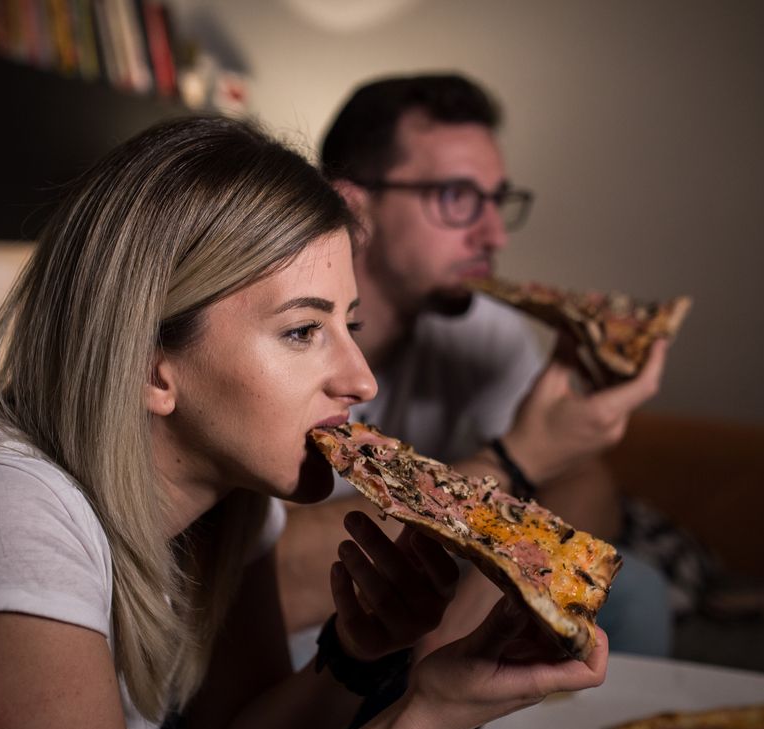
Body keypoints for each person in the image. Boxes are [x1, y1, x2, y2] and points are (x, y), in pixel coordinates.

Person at [0, 116, 608, 729]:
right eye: (301, 332)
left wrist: (357, 659)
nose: (362, 382)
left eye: (347, 326)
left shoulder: (231, 495)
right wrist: (429, 716)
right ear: (152, 364)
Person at [277, 73, 673, 665]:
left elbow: (585, 484)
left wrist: (461, 626)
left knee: (636, 589)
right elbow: (266, 579)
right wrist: (518, 459)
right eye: (457, 198)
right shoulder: (272, 333)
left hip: (416, 633)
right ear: (354, 207)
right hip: (298, 663)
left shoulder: (479, 326)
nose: (492, 234)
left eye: (496, 201)